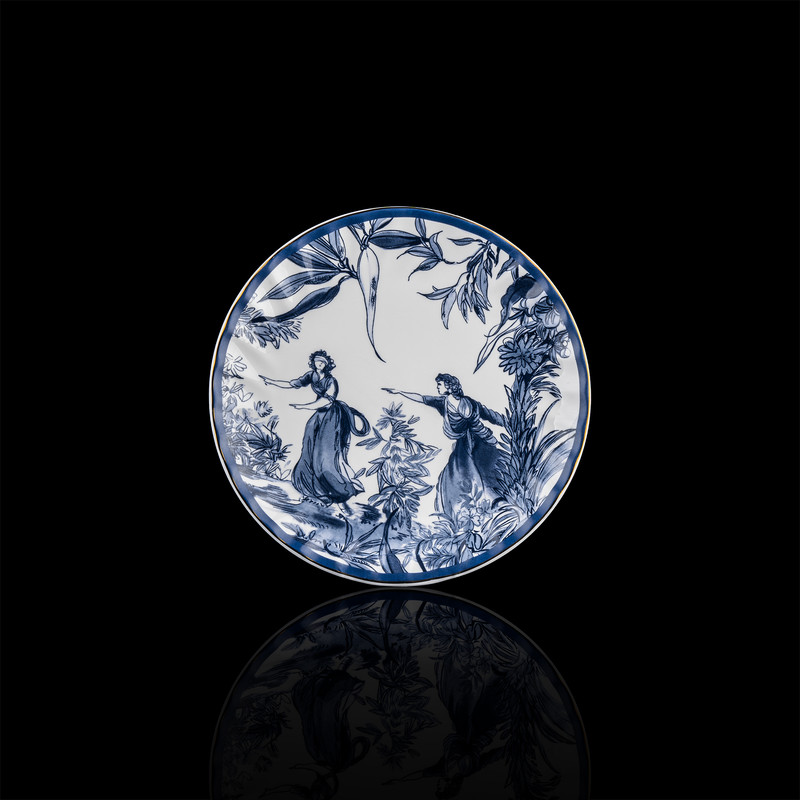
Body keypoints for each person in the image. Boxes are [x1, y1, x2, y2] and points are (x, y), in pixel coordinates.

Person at [383, 374, 504, 519]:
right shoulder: (443, 402)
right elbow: (422, 398)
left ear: (449, 386)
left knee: (477, 468)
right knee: (460, 472)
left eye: (439, 384)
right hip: (465, 441)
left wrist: (501, 427)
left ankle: (493, 501)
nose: (437, 388)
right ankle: (472, 507)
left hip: (477, 440)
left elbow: (487, 415)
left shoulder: (469, 403)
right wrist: (400, 392)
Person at [261, 351, 369, 509]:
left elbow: (327, 401)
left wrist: (304, 406)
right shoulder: (311, 375)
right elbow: (293, 384)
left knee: (324, 451)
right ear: (313, 362)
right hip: (319, 414)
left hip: (332, 415)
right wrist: (271, 382)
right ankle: (310, 486)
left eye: (323, 362)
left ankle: (332, 488)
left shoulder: (331, 381)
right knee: (309, 443)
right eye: (318, 361)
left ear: (327, 365)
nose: (320, 364)